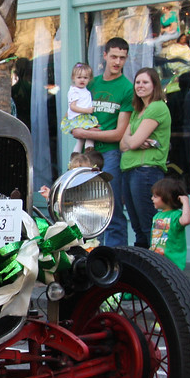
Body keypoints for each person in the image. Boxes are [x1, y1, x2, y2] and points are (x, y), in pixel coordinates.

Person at [71, 37, 133, 247]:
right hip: (86, 155)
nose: (117, 62)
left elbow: (118, 133)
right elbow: (73, 113)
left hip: (110, 154)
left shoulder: (126, 88)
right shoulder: (91, 82)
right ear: (105, 55)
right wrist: (75, 128)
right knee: (85, 207)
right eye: (114, 56)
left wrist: (85, 132)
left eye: (122, 58)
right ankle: (90, 256)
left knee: (111, 208)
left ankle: (116, 258)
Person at [120, 67, 171, 248]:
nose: (140, 86)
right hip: (130, 170)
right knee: (138, 227)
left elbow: (131, 144)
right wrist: (133, 140)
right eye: (138, 82)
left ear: (154, 85)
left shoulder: (157, 107)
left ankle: (158, 269)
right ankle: (141, 270)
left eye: (145, 82)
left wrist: (132, 141)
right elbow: (123, 143)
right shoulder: (138, 110)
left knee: (149, 225)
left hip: (146, 171)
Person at [150, 176, 190, 269]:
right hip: (158, 260)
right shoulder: (157, 216)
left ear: (167, 197)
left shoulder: (175, 215)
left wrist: (185, 202)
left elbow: (186, 220)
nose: (152, 198)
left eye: (155, 196)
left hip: (172, 263)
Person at [60, 62, 98, 152]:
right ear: (73, 78)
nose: (82, 80)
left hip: (84, 117)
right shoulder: (74, 91)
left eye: (85, 78)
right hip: (79, 117)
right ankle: (88, 152)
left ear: (89, 79)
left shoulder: (85, 90)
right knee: (88, 135)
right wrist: (87, 110)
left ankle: (83, 153)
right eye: (79, 77)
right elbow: (73, 107)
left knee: (82, 139)